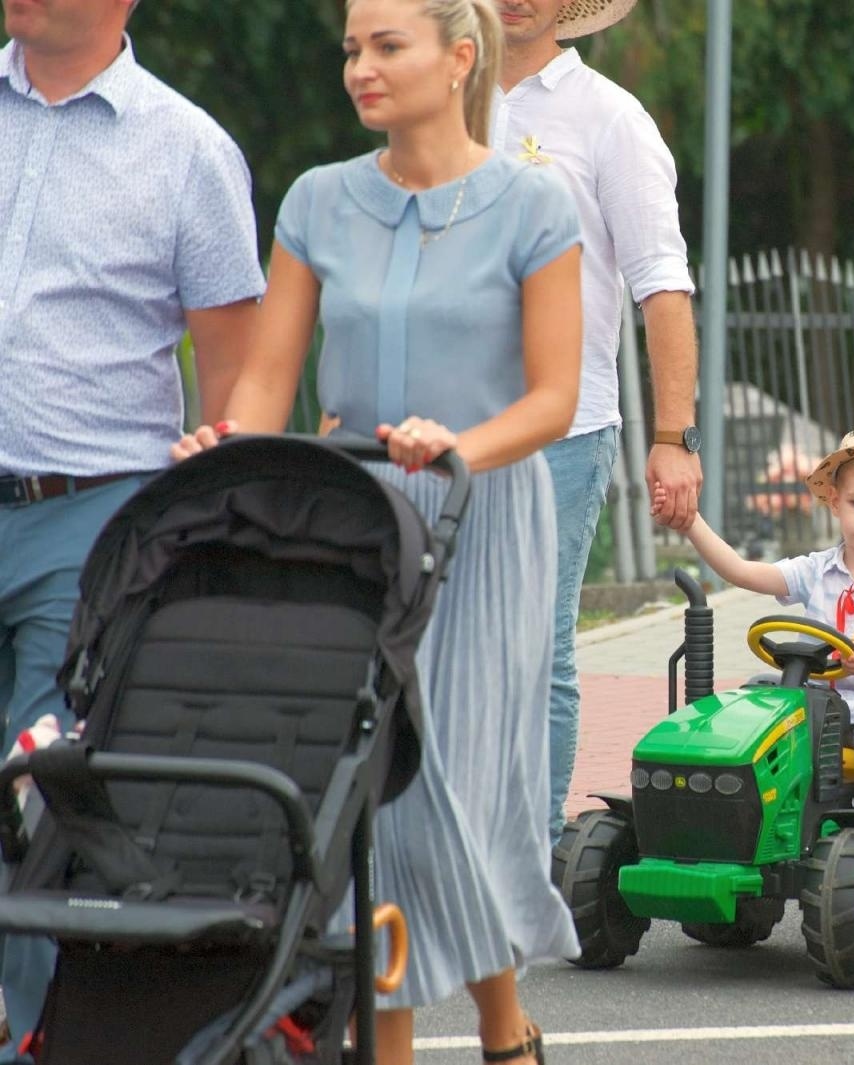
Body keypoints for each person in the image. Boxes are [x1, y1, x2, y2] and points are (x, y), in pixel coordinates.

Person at [173, 0, 579, 1060]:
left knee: (461, 793)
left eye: (386, 45)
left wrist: (458, 446)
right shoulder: (317, 199)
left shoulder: (535, 203)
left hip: (483, 527)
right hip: (351, 524)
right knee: (376, 796)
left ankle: (503, 1027)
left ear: (456, 59)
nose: (361, 66)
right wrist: (223, 451)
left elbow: (555, 401)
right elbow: (267, 376)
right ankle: (416, 1047)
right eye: (353, 47)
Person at [0, 0, 263, 1056]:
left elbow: (236, 376)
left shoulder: (188, 149)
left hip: (95, 518)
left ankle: (30, 1036)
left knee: (35, 786)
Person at [491, 0, 700, 842]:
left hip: (562, 429)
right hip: (434, 428)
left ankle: (529, 852)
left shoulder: (609, 117)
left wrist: (672, 437)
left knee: (538, 652)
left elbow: (661, 281)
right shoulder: (434, 93)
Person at [659, 426, 854, 837]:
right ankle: (751, 816)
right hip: (823, 700)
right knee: (756, 695)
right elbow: (742, 572)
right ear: (834, 502)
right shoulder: (816, 570)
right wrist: (691, 522)